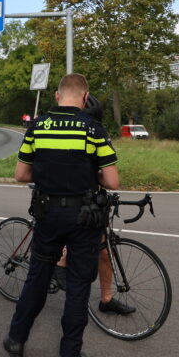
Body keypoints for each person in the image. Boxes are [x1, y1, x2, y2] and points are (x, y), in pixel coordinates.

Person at [3, 74, 119, 357]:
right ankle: (70, 352)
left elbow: (21, 174)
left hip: (48, 214)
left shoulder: (36, 127)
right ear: (85, 96)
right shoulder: (94, 129)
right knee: (79, 287)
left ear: (57, 95)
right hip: (85, 218)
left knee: (37, 279)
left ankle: (16, 340)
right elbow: (113, 182)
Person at [52, 94, 135, 315]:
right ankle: (60, 263)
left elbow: (105, 172)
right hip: (67, 202)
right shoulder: (67, 135)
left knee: (104, 250)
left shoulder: (94, 133)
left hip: (91, 201)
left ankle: (106, 299)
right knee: (76, 238)